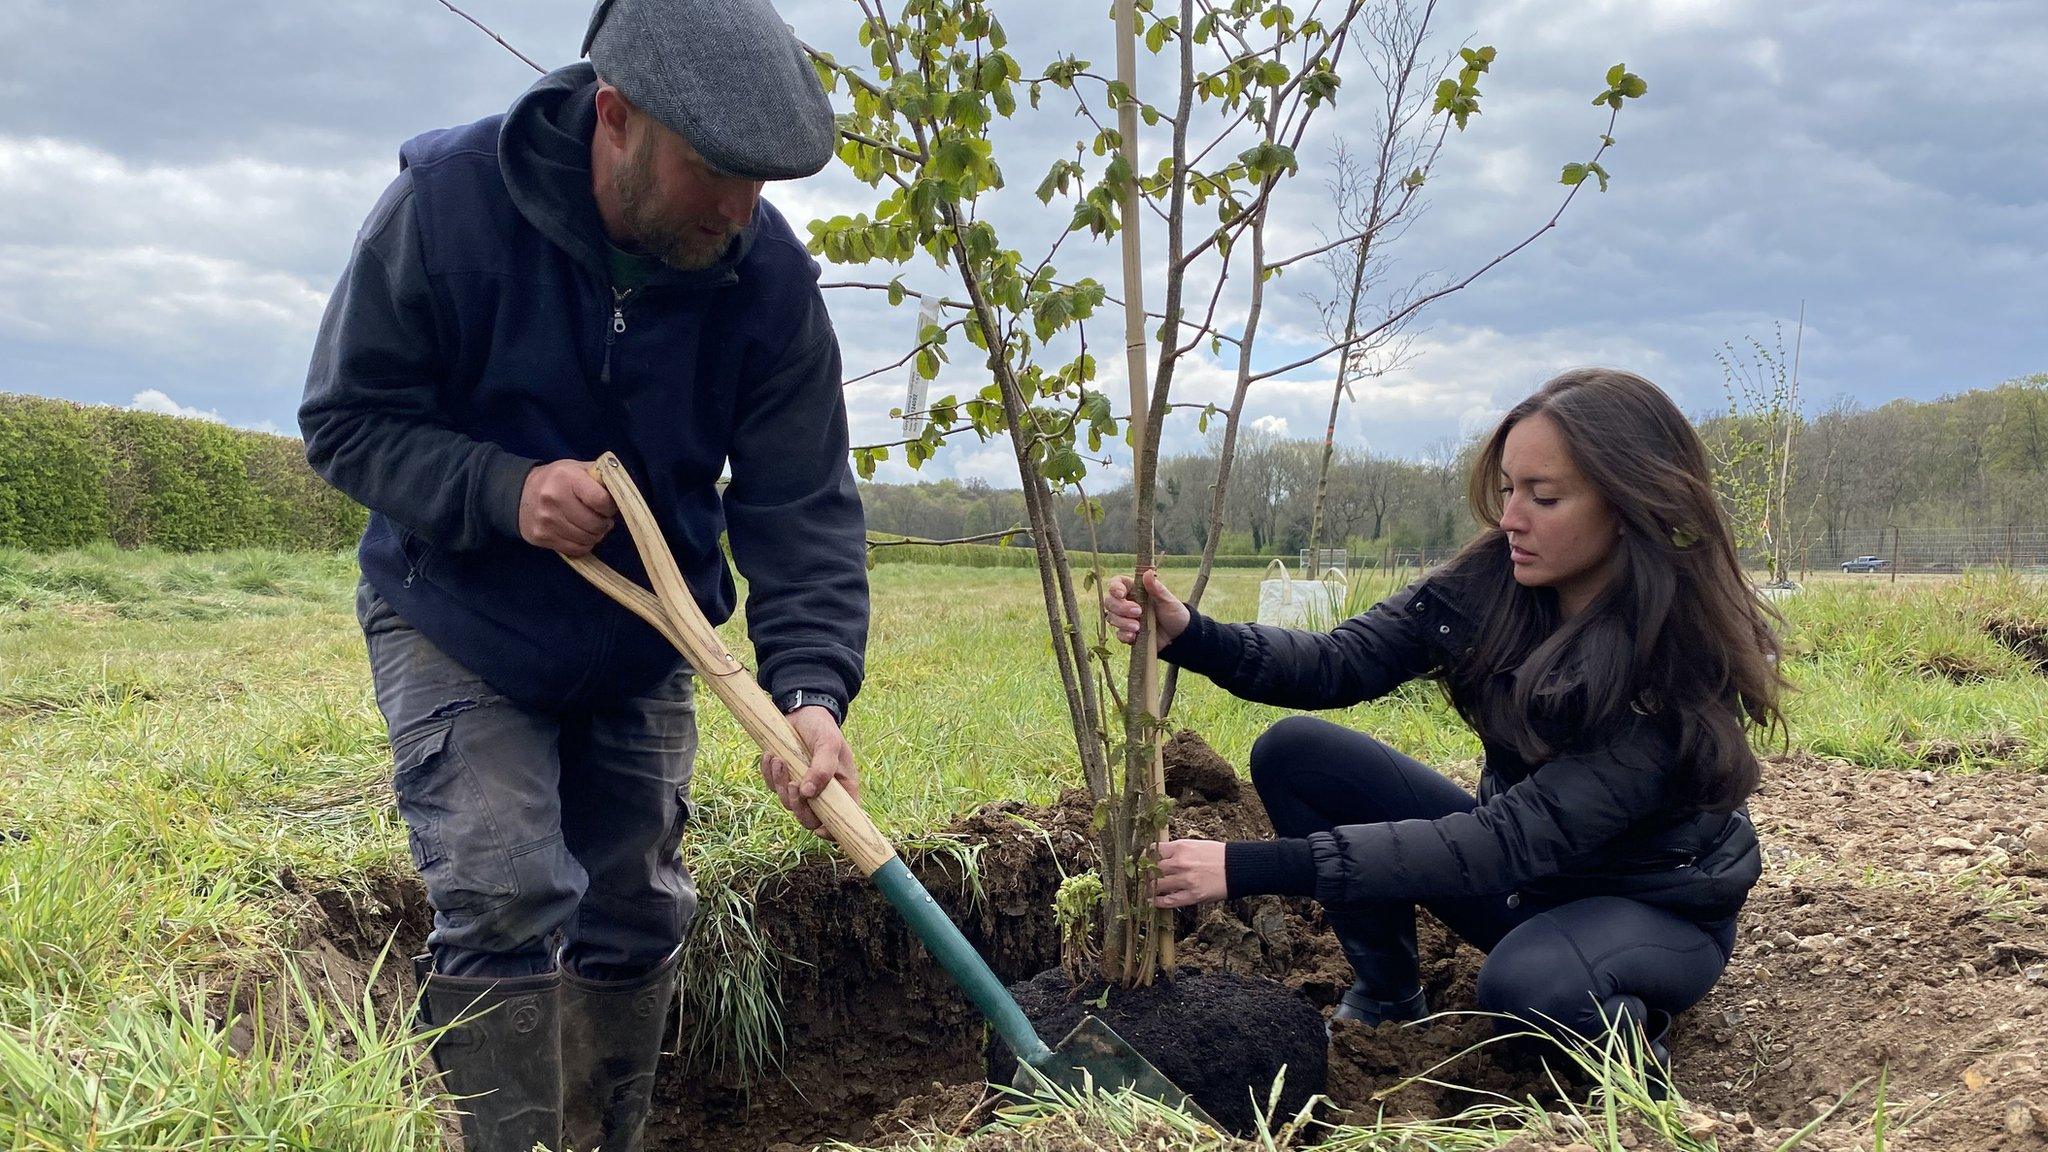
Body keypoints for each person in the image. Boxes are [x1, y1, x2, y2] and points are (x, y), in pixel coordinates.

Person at [298, 1, 867, 1148]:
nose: (739, 210)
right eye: (715, 172)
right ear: (615, 116)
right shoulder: (446, 209)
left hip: (647, 641)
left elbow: (796, 504)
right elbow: (347, 422)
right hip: (461, 611)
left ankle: (609, 1136)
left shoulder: (764, 279)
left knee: (635, 905)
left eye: (761, 183)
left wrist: (810, 690)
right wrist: (506, 492)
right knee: (505, 885)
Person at [1106, 368, 1781, 1079]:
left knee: (1528, 992)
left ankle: (1627, 1036)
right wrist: (1190, 634)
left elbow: (1505, 839)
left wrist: (1245, 868)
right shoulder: (1494, 581)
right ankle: (1390, 994)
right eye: (1508, 490)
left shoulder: (1674, 668)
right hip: (1524, 887)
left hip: (1648, 910)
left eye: (1543, 497)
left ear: (1628, 505)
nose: (1512, 518)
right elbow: (1340, 662)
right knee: (1298, 754)